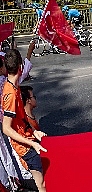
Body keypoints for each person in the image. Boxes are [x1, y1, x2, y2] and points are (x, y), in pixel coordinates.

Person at [2, 49, 47, 192]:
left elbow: (21, 118)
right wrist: (31, 143)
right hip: (25, 146)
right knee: (41, 185)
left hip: (27, 139)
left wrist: (34, 132)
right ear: (21, 67)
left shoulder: (14, 88)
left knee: (41, 182)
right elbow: (6, 128)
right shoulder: (10, 94)